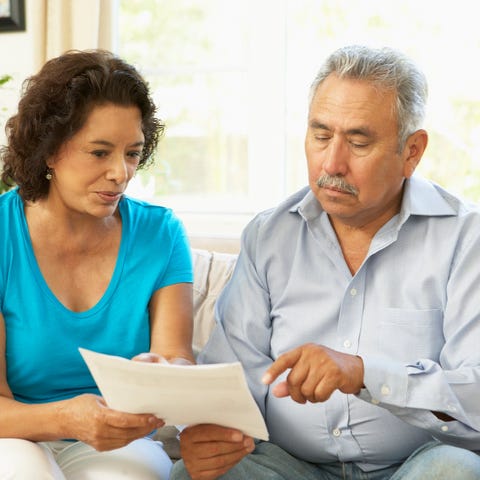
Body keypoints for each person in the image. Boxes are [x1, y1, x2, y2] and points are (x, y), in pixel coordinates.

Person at [170, 45, 480, 480]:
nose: (332, 163)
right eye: (320, 135)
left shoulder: (466, 239)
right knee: (193, 475)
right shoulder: (269, 235)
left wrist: (365, 374)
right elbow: (232, 374)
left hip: (414, 467)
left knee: (455, 470)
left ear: (412, 151)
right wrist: (208, 433)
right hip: (289, 467)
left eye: (358, 141)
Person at [0, 49, 194, 479]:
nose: (120, 173)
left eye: (132, 153)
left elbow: (176, 359)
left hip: (120, 439)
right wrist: (67, 419)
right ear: (49, 150)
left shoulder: (160, 235)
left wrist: (166, 374)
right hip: (13, 434)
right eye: (100, 152)